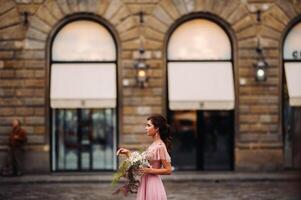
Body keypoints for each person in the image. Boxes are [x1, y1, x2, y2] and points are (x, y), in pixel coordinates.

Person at [117, 114, 172, 200]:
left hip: (153, 184)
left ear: (157, 128)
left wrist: (150, 170)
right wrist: (128, 153)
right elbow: (141, 162)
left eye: (148, 125)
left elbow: (168, 170)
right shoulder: (153, 145)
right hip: (145, 182)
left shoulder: (160, 146)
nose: (146, 128)